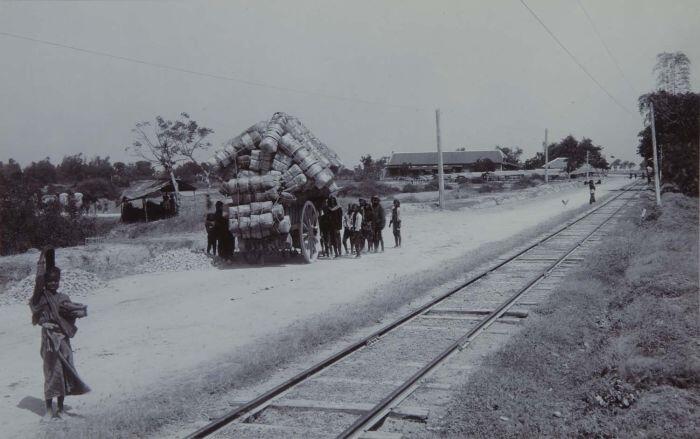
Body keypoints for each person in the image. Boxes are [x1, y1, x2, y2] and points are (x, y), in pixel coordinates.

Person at [29, 249, 90, 419]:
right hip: (49, 339)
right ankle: (48, 410)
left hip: (63, 339)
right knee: (50, 372)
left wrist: (78, 312)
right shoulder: (40, 298)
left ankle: (61, 409)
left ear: (59, 282)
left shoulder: (63, 297)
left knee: (64, 372)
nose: (53, 284)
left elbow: (69, 315)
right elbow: (38, 282)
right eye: (50, 281)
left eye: (56, 281)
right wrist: (41, 261)